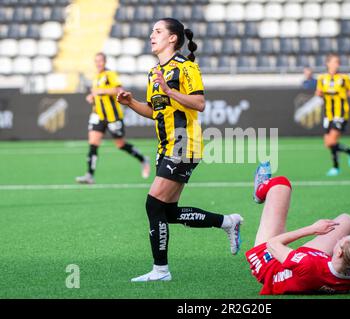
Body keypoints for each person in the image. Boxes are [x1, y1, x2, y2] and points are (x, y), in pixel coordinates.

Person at [116, 18, 243, 282]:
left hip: (184, 143)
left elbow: (199, 103)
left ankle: (160, 270)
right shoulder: (154, 72)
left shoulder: (186, 67)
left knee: (153, 205)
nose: (152, 35)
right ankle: (227, 222)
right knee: (168, 212)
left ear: (173, 38)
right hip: (166, 146)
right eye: (152, 30)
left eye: (158, 31)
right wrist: (131, 103)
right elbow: (154, 112)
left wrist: (170, 92)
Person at [247, 162, 350, 295]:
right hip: (309, 267)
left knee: (281, 183)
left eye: (341, 241)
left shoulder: (307, 264)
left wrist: (312, 229)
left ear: (340, 252)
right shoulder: (349, 278)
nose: (339, 238)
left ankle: (259, 192)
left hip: (269, 263)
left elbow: (272, 244)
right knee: (346, 221)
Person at [76, 52, 150, 184]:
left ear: (105, 62)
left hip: (113, 117)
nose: (98, 63)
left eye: (100, 61)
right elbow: (98, 94)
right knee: (93, 144)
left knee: (120, 145)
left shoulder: (110, 75)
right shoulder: (96, 77)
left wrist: (101, 91)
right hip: (98, 115)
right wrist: (92, 97)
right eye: (96, 61)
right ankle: (89, 175)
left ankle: (143, 159)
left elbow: (119, 90)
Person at [316, 54, 350, 177]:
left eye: (338, 62)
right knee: (328, 143)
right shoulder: (322, 79)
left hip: (340, 114)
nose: (337, 64)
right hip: (328, 114)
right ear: (328, 63)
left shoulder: (344, 78)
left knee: (331, 141)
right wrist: (319, 93)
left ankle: (336, 168)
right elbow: (318, 92)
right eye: (335, 62)